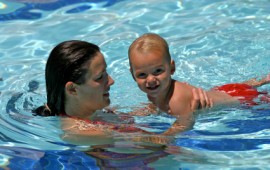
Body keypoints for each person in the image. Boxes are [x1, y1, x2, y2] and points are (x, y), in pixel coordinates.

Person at [33, 40, 211, 145]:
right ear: (72, 89)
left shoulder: (88, 112)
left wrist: (163, 100)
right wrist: (186, 118)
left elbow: (127, 120)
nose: (111, 81)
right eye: (100, 77)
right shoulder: (81, 132)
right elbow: (156, 144)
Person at [128, 33, 270, 136]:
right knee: (241, 88)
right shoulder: (157, 91)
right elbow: (155, 105)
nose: (151, 80)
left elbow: (185, 124)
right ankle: (263, 80)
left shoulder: (176, 100)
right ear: (133, 76)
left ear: (171, 69)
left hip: (245, 100)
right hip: (227, 90)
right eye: (142, 75)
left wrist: (162, 138)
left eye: (158, 71)